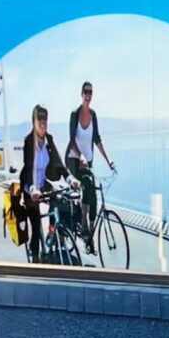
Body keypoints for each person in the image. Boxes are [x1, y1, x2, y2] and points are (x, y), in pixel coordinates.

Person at [21, 105, 77, 263]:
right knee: (36, 224)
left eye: (45, 119)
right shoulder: (28, 141)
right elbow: (29, 166)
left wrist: (70, 179)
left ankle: (52, 231)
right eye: (40, 119)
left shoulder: (49, 140)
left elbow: (59, 163)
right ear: (34, 121)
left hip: (43, 182)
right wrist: (32, 189)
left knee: (58, 198)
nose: (43, 122)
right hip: (30, 186)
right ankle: (35, 258)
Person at [66, 81, 114, 254]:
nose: (88, 94)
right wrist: (81, 157)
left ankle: (89, 234)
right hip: (74, 159)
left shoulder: (93, 115)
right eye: (86, 91)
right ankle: (84, 224)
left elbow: (97, 139)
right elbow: (72, 140)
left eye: (91, 92)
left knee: (92, 194)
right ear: (81, 94)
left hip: (88, 162)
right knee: (86, 185)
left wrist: (109, 161)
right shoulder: (74, 114)